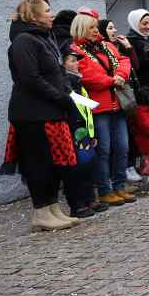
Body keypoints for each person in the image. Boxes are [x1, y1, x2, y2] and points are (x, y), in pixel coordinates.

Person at [5, 0, 81, 232]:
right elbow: (30, 79)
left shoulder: (43, 38)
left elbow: (55, 73)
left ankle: (52, 208)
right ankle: (41, 212)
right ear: (33, 16)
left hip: (51, 111)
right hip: (33, 114)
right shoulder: (24, 41)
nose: (52, 15)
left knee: (54, 163)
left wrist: (68, 90)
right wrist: (60, 97)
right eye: (48, 11)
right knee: (39, 164)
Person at [69, 13, 134, 207]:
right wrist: (112, 80)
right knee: (104, 149)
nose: (96, 30)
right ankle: (105, 190)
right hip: (98, 107)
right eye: (91, 27)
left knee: (122, 147)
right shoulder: (75, 50)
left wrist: (121, 75)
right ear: (81, 28)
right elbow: (86, 76)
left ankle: (120, 186)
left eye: (96, 26)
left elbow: (124, 60)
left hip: (117, 104)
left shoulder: (106, 46)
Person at [60, 48, 100, 218]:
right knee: (78, 167)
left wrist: (92, 133)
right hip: (75, 131)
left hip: (84, 132)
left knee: (88, 164)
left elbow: (87, 109)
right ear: (63, 64)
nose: (76, 64)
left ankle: (89, 199)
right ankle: (78, 204)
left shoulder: (77, 81)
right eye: (72, 61)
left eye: (76, 61)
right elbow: (74, 106)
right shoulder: (66, 82)